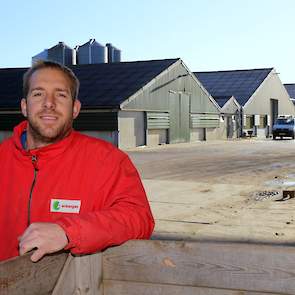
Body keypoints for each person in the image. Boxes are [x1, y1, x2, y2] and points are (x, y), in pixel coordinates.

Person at [0, 61, 154, 262]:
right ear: (24, 106)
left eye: (61, 95)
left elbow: (139, 218)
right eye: (38, 94)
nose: (49, 103)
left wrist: (68, 231)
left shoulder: (107, 160)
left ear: (75, 109)